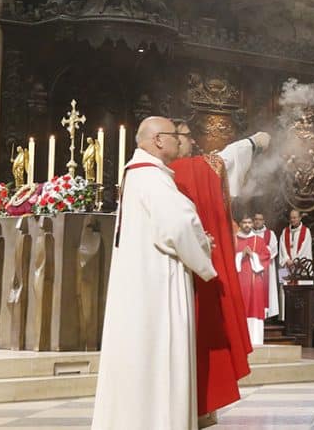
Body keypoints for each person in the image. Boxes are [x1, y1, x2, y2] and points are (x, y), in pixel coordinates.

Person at [92, 116, 216, 430]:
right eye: (176, 135)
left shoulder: (138, 176)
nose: (181, 141)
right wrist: (204, 247)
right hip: (158, 290)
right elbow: (179, 226)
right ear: (158, 139)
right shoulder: (152, 178)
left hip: (139, 290)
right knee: (160, 360)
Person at [168, 121, 271, 425]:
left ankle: (194, 407)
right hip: (195, 270)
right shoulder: (187, 169)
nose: (191, 142)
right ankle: (199, 408)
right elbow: (225, 159)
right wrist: (254, 142)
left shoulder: (160, 176)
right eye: (186, 136)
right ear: (171, 139)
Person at [235, 215, 272, 345]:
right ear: (240, 224)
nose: (247, 225)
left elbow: (266, 257)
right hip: (238, 281)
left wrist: (252, 255)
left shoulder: (259, 240)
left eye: (249, 222)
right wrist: (240, 255)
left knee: (255, 307)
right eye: (244, 222)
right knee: (239, 307)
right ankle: (239, 341)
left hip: (255, 280)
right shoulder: (233, 240)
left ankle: (255, 341)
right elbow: (227, 259)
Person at [252, 212, 279, 319]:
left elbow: (274, 250)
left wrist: (263, 257)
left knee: (267, 290)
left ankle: (267, 314)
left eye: (260, 219)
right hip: (253, 268)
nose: (257, 221)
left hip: (267, 267)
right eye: (256, 219)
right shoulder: (250, 234)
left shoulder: (270, 234)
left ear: (263, 221)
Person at [279, 208, 312, 285]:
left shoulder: (306, 231)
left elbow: (305, 250)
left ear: (300, 218)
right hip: (286, 265)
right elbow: (282, 247)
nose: (292, 220)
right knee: (285, 290)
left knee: (301, 291)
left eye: (294, 218)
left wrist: (295, 261)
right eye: (291, 218)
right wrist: (287, 260)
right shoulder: (285, 231)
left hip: (300, 267)